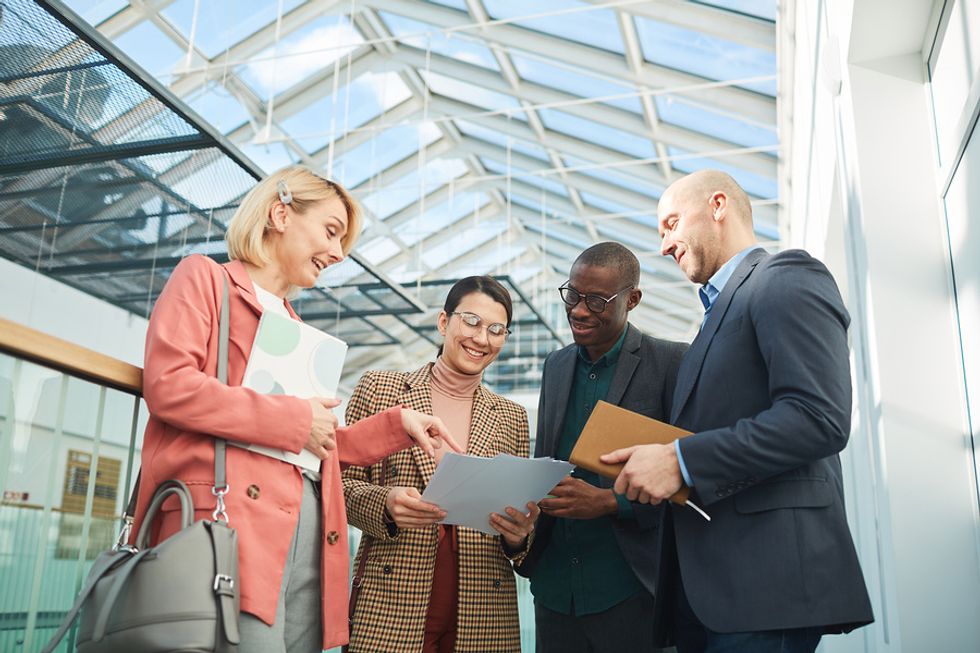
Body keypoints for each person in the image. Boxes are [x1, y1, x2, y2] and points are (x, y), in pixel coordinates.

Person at [131, 166, 461, 653]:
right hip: (227, 528)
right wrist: (295, 420)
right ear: (280, 214)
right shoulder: (206, 280)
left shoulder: (293, 324)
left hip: (308, 536)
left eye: (343, 241)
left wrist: (397, 425)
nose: (338, 253)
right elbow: (170, 386)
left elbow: (312, 440)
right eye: (331, 232)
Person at [602, 170, 874, 652]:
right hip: (712, 590)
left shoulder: (785, 276)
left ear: (718, 206)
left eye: (670, 223)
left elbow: (819, 416)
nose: (664, 245)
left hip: (764, 587)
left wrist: (680, 460)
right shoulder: (713, 318)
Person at [342, 275, 538, 653]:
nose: (482, 339)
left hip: (484, 606)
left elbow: (521, 519)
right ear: (444, 322)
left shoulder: (512, 417)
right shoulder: (380, 389)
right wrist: (385, 504)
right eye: (472, 322)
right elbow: (338, 483)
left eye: (497, 329)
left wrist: (519, 535)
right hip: (392, 597)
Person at [514, 242, 687, 653]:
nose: (577, 309)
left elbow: (689, 479)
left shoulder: (671, 363)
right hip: (556, 589)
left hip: (631, 586)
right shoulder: (555, 366)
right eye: (572, 295)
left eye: (596, 300)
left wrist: (610, 502)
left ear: (633, 299)